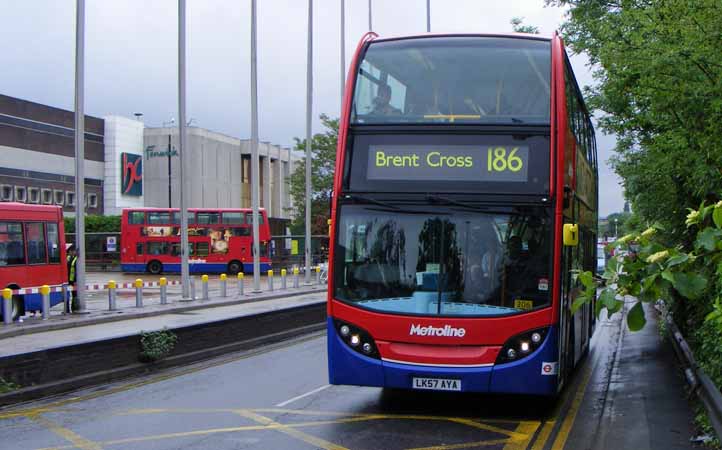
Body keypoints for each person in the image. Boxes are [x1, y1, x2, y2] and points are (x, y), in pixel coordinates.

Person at [66, 244, 79, 312]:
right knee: (67, 294)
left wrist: (75, 280)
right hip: (69, 280)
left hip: (73, 280)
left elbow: (76, 270)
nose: (70, 253)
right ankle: (67, 309)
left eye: (71, 251)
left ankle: (74, 308)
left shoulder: (77, 259)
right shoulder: (69, 258)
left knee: (74, 295)